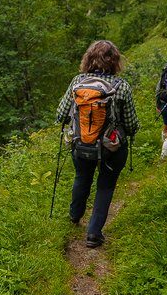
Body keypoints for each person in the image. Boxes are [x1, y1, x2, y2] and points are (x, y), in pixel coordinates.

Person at [56, 40, 140, 248]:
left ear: (89, 59)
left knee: (82, 177)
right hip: (110, 148)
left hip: (82, 144)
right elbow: (131, 124)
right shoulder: (121, 86)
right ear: (115, 61)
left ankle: (75, 216)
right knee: (106, 185)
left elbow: (60, 114)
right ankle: (93, 234)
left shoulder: (77, 82)